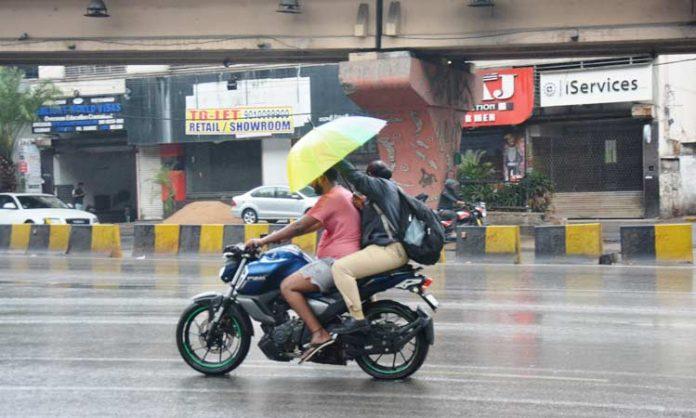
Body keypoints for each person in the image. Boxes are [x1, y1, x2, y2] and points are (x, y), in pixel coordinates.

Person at [245, 168, 361, 362]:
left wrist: (261, 241)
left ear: (322, 177)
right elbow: (310, 225)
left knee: (288, 286)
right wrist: (276, 238)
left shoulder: (331, 197)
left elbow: (299, 226)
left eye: (312, 178)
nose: (310, 183)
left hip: (336, 261)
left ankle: (318, 333)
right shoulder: (343, 194)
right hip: (345, 259)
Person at [331, 160, 409, 334]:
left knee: (341, 269)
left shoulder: (380, 185)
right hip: (391, 248)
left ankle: (357, 319)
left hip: (388, 249)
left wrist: (337, 159)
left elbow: (356, 177)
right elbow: (380, 218)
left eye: (367, 175)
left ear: (372, 176)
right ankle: (371, 313)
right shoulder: (389, 189)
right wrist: (364, 205)